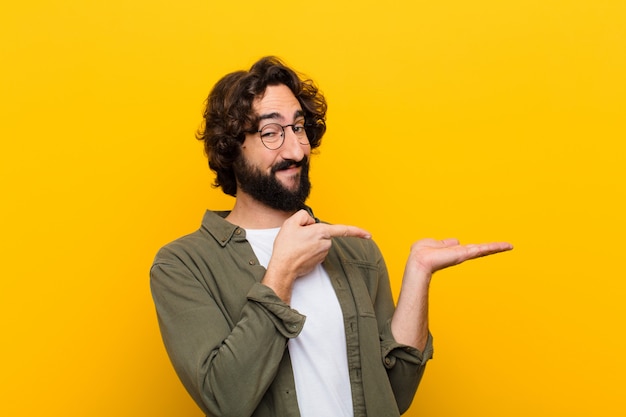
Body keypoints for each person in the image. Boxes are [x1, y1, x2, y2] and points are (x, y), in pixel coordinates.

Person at [150, 56, 513, 417]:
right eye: (271, 132)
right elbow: (225, 399)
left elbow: (396, 394)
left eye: (299, 128)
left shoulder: (355, 252)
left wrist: (418, 274)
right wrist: (281, 272)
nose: (296, 150)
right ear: (231, 147)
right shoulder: (182, 265)